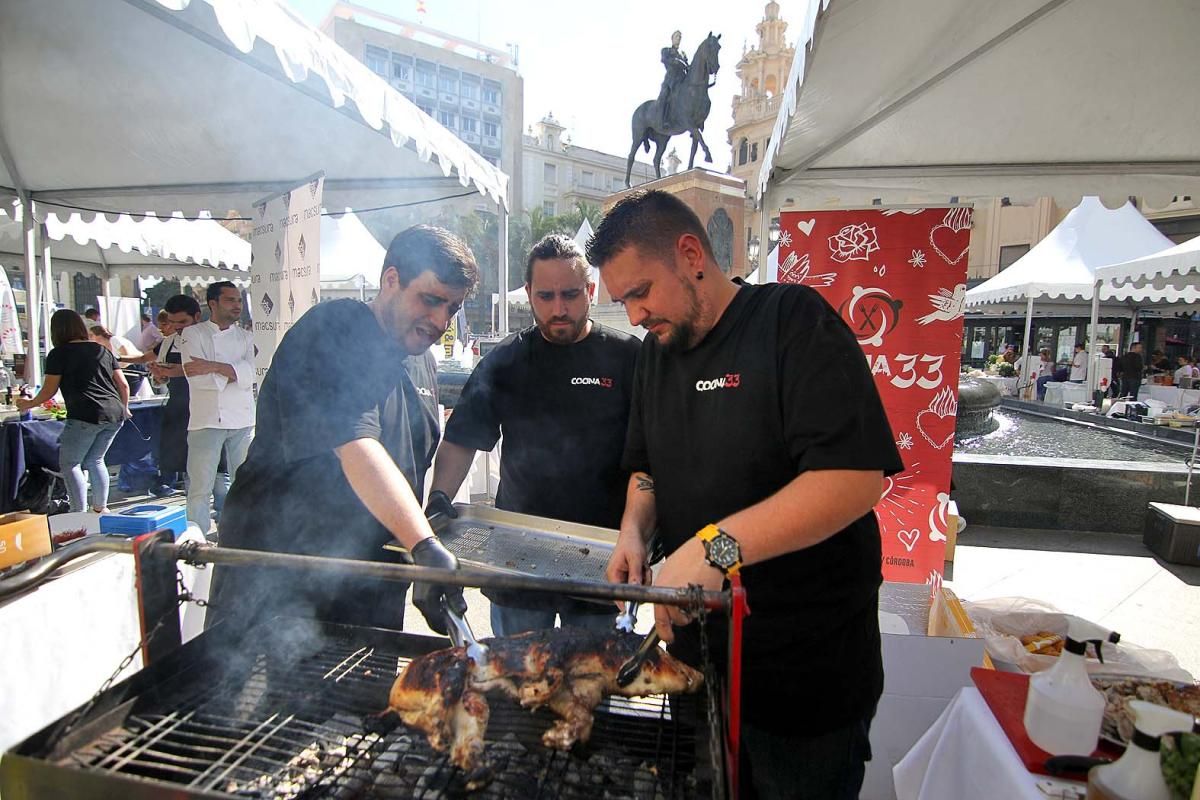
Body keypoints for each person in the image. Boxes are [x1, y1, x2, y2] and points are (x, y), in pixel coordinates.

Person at [588, 190, 903, 800]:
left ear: (690, 255)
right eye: (623, 300)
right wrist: (634, 528)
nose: (632, 315)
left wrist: (713, 550)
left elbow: (856, 478)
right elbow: (646, 468)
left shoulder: (792, 321)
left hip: (804, 680)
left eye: (639, 292)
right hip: (698, 665)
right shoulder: (657, 354)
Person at [206, 225, 477, 636]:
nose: (441, 320)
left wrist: (433, 513)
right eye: (431, 300)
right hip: (281, 577)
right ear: (391, 280)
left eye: (452, 308)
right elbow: (356, 446)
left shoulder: (421, 360)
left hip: (371, 582)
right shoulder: (333, 330)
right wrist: (424, 546)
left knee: (366, 698)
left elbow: (413, 459)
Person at [428, 234, 640, 636]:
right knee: (518, 685)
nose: (559, 309)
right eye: (545, 296)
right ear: (528, 294)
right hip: (518, 556)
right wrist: (438, 499)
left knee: (589, 685)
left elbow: (649, 457)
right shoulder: (506, 361)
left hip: (601, 556)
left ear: (590, 290)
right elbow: (462, 439)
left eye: (570, 294)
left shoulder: (628, 358)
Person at [17, 310, 129, 513]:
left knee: (70, 464)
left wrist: (28, 404)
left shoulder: (58, 354)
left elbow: (49, 390)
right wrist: (126, 408)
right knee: (96, 460)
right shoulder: (101, 349)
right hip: (114, 412)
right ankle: (100, 508)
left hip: (85, 413)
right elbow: (123, 384)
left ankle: (78, 512)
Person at [176, 281, 255, 535]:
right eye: (230, 300)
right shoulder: (193, 334)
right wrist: (233, 372)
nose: (237, 306)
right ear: (213, 303)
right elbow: (196, 377)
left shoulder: (246, 337)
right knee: (200, 486)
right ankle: (197, 538)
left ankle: (239, 533)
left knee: (244, 482)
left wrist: (214, 366)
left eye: (239, 301)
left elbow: (251, 374)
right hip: (206, 420)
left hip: (242, 420)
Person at [656, 30, 689, 127]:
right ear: (672, 38)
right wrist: (674, 62)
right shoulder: (666, 50)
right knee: (666, 96)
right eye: (676, 36)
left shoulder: (682, 54)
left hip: (682, 79)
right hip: (671, 79)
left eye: (679, 37)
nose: (678, 38)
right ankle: (664, 119)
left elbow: (687, 66)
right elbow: (664, 59)